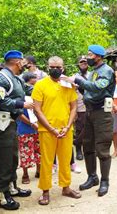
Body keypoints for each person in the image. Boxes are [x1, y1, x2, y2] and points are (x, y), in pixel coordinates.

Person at [64, 45, 116, 197]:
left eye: (90, 54)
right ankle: (92, 177)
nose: (87, 57)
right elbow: (88, 90)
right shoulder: (93, 71)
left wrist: (79, 80)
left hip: (102, 113)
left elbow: (97, 88)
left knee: (102, 148)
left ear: (98, 56)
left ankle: (105, 181)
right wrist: (77, 86)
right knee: (88, 145)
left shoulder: (106, 71)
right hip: (89, 112)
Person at [32, 56, 81, 205]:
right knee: (47, 161)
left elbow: (74, 107)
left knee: (66, 159)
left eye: (58, 67)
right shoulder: (40, 85)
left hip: (66, 129)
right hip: (47, 130)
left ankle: (66, 187)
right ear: (47, 68)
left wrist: (67, 126)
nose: (55, 69)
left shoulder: (68, 85)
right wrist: (51, 129)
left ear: (63, 68)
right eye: (52, 67)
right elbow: (37, 110)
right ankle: (45, 191)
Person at [0, 50, 33, 210]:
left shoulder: (16, 79)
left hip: (10, 123)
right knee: (4, 160)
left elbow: (27, 90)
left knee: (13, 157)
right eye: (23, 62)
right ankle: (4, 195)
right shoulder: (2, 78)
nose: (25, 65)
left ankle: (12, 187)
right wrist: (21, 105)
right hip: (2, 123)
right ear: (16, 62)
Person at [16, 72, 40, 184]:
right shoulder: (20, 95)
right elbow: (19, 114)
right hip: (25, 128)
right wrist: (31, 123)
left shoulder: (37, 93)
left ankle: (39, 170)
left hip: (38, 127)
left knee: (39, 150)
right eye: (35, 78)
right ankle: (25, 174)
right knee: (25, 151)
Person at [74, 56, 89, 161]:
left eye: (85, 62)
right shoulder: (74, 77)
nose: (84, 64)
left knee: (90, 129)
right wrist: (73, 110)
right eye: (81, 62)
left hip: (91, 106)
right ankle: (78, 150)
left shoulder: (92, 75)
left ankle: (87, 149)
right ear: (78, 64)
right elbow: (72, 95)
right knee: (79, 129)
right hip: (79, 107)